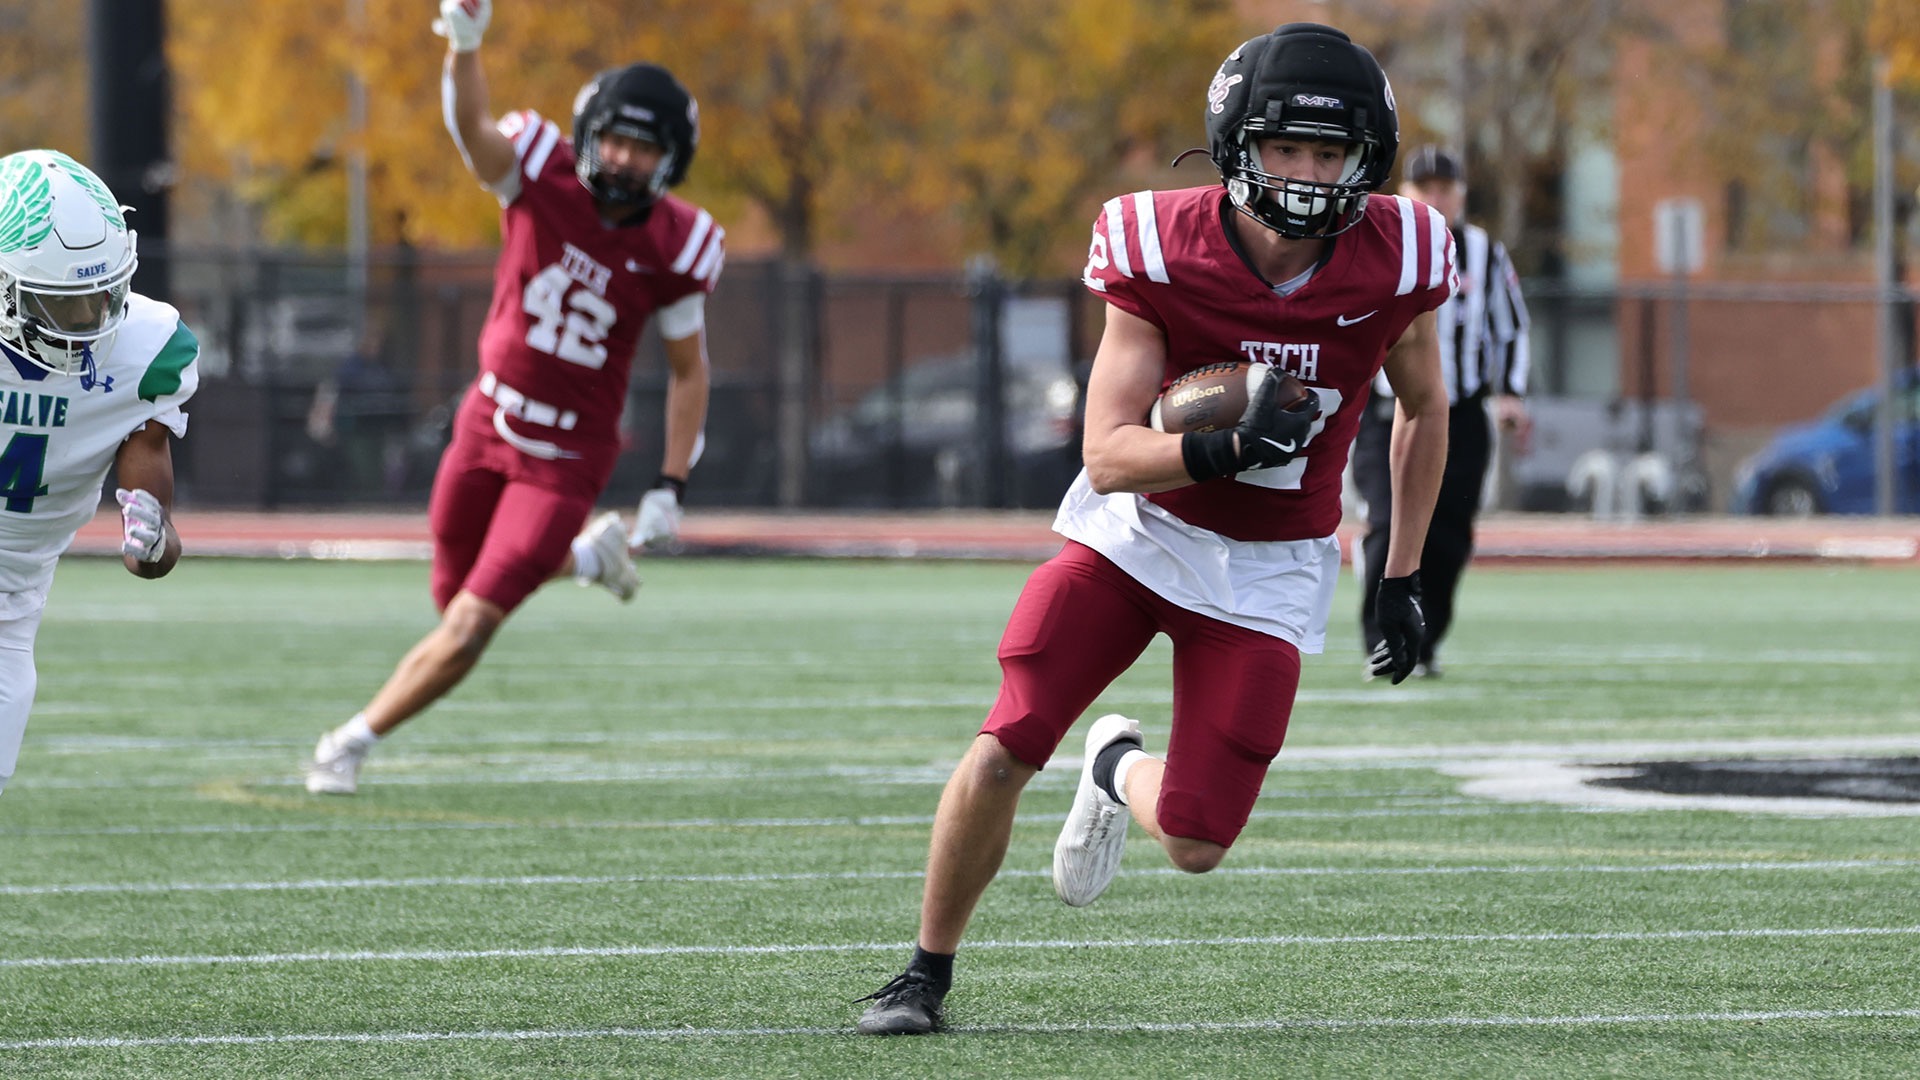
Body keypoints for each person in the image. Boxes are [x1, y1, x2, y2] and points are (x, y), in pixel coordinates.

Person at [856, 23, 1453, 1035]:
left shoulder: (1400, 257)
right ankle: (924, 971)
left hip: (1272, 564)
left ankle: (1112, 769)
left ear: (1367, 161)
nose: (1307, 174)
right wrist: (1218, 450)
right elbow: (1107, 451)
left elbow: (1426, 408)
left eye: (1329, 152)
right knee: (1008, 741)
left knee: (1196, 842)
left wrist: (1401, 575)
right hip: (1139, 533)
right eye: (1285, 149)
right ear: (1236, 146)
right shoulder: (1156, 242)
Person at [304, 0, 723, 795]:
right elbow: (474, 133)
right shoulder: (542, 173)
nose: (627, 160)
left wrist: (670, 484)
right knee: (449, 594)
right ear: (589, 134)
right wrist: (464, 46)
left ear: (673, 159)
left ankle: (349, 742)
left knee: (468, 627)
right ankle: (585, 559)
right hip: (485, 419)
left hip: (565, 457)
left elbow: (690, 370)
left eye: (645, 148)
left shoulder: (676, 244)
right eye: (617, 140)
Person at [0, 149, 198, 794]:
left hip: (9, 603)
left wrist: (153, 537)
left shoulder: (146, 347)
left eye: (101, 293)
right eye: (64, 303)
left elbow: (153, 550)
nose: (89, 321)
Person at [1353, 145, 1530, 679]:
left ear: (1460, 196)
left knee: (1451, 533)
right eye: (1424, 187)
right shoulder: (1380, 242)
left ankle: (1425, 643)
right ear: (1404, 193)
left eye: (1444, 189)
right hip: (1389, 410)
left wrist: (1512, 391)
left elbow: (1512, 327)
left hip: (1462, 411)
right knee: (1387, 524)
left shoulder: (1485, 252)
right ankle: (1380, 640)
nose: (1435, 197)